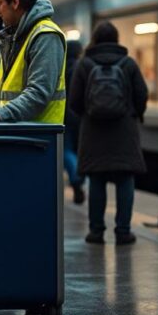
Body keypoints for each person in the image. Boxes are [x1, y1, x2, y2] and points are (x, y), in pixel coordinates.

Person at [69, 22, 148, 245]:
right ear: (116, 38)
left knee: (97, 180)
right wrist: (133, 113)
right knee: (125, 180)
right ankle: (123, 231)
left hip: (94, 131)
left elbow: (74, 100)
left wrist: (88, 113)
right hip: (124, 130)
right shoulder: (128, 63)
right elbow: (141, 94)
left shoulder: (84, 64)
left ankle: (96, 231)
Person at [63, 39, 85, 204]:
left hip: (64, 115)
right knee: (79, 150)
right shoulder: (83, 67)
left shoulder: (61, 68)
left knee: (66, 150)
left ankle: (76, 179)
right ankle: (80, 177)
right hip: (81, 116)